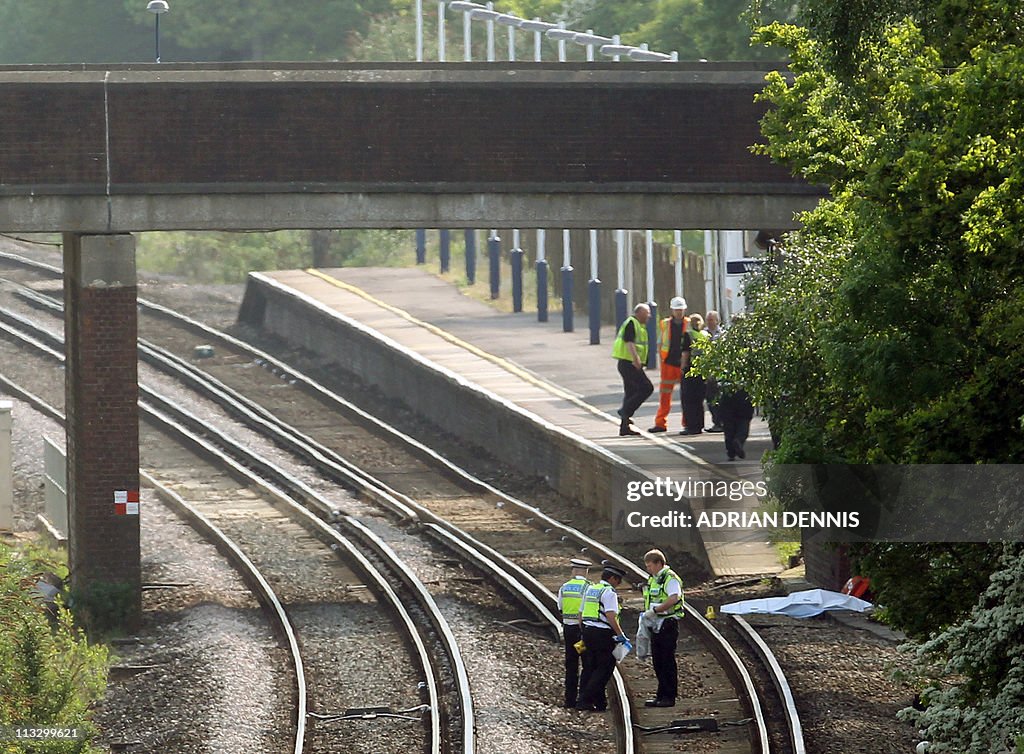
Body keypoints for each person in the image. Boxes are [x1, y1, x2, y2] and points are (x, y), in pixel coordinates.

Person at [575, 564, 630, 712]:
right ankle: (585, 699)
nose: (619, 584)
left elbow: (580, 614)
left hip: (587, 631)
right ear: (612, 578)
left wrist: (584, 631)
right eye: (618, 581)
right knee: (604, 668)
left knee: (590, 667)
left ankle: (599, 703)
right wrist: (620, 634)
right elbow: (611, 615)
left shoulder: (591, 589)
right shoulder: (609, 593)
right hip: (602, 634)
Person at [641, 549, 685, 707]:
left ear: (659, 563)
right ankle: (661, 695)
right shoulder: (653, 579)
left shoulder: (670, 578)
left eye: (650, 566)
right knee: (658, 661)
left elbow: (674, 598)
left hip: (667, 623)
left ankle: (669, 696)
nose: (648, 569)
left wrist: (656, 610)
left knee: (667, 660)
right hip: (655, 623)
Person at [612, 304, 654, 436]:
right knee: (647, 388)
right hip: (629, 363)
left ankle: (624, 428)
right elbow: (629, 342)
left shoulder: (639, 325)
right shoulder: (632, 323)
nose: (649, 316)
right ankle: (625, 411)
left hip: (628, 363)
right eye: (647, 313)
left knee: (630, 392)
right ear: (639, 313)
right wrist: (636, 359)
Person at [649, 296, 689, 433]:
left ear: (684, 310)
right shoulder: (665, 324)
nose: (679, 312)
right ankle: (660, 423)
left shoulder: (689, 323)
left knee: (686, 396)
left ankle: (687, 423)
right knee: (665, 395)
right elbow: (661, 342)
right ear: (672, 310)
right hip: (669, 363)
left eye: (681, 310)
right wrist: (661, 358)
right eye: (677, 310)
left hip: (684, 364)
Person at [557, 558, 592, 708]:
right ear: (586, 572)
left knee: (571, 664)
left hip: (568, 630)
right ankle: (583, 698)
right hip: (582, 632)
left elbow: (560, 607)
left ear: (573, 571)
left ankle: (569, 700)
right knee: (587, 663)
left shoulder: (564, 587)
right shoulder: (588, 588)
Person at [680, 313, 709, 435]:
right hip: (703, 370)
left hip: (691, 370)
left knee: (688, 400)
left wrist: (682, 367)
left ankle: (691, 426)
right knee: (699, 400)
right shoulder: (705, 335)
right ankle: (699, 425)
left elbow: (686, 353)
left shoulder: (688, 334)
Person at [718, 384, 755, 460]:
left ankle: (731, 453)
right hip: (743, 404)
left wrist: (720, 416)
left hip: (728, 405)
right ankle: (738, 441)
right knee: (743, 430)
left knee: (729, 432)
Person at [703, 310, 724, 433]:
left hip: (719, 370)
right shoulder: (703, 334)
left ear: (717, 321)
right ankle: (716, 422)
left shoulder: (722, 334)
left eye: (712, 320)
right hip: (708, 370)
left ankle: (721, 422)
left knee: (719, 397)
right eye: (708, 320)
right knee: (710, 398)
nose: (710, 322)